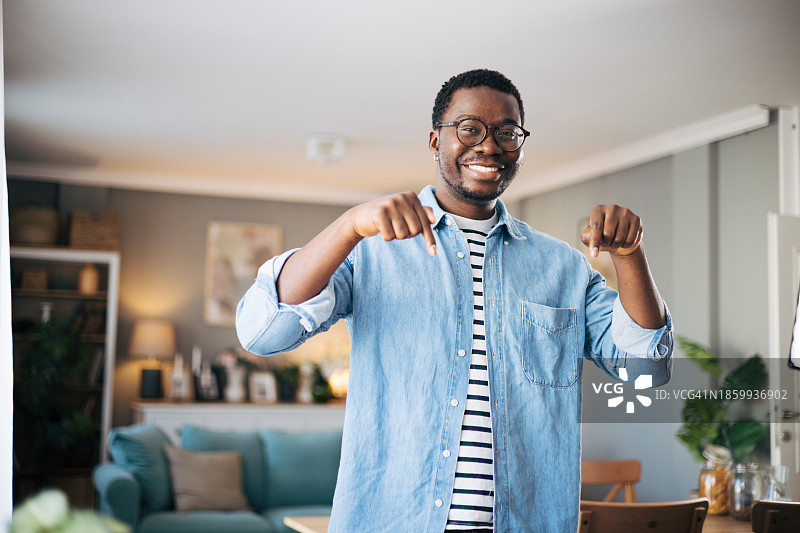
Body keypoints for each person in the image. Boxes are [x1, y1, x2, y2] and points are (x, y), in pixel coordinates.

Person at [236, 69, 673, 533]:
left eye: (507, 132)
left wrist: (629, 255)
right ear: (435, 140)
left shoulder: (562, 268)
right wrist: (347, 225)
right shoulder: (371, 248)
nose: (488, 145)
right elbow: (264, 332)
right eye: (469, 128)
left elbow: (646, 370)